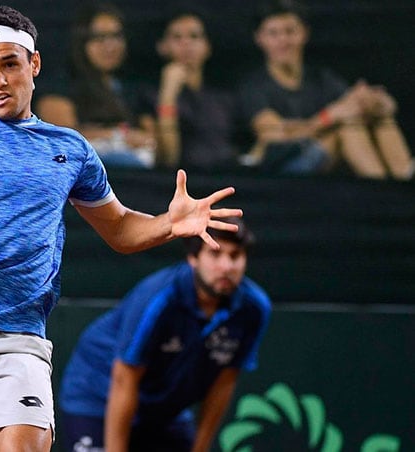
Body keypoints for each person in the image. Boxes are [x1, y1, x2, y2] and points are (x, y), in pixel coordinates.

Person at [0, 6, 242, 451]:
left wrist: (169, 224)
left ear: (33, 64)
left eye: (9, 65)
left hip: (17, 341)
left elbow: (119, 229)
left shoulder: (71, 149)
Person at [59, 217, 271, 452]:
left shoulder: (254, 308)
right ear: (193, 258)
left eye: (235, 256)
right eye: (215, 254)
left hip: (164, 410)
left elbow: (224, 383)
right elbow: (124, 378)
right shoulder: (159, 299)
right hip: (99, 396)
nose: (226, 267)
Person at [238, 0, 414, 179]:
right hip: (282, 169)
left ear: (304, 33)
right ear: (260, 38)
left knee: (378, 118)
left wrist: (375, 103)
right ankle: (386, 195)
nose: (283, 40)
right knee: (346, 127)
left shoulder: (321, 78)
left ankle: (404, 183)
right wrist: (328, 117)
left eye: (290, 31)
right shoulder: (254, 86)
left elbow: (352, 107)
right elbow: (274, 135)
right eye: (273, 33)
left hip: (324, 157)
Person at [36, 3, 156, 168]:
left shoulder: (133, 91)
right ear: (82, 42)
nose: (110, 46)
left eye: (116, 36)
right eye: (99, 37)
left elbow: (155, 144)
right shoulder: (60, 87)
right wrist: (118, 136)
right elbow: (61, 141)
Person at [149, 11, 240, 171]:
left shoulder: (223, 97)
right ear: (162, 46)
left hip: (228, 177)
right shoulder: (149, 96)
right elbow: (169, 158)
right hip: (179, 182)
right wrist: (168, 94)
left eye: (194, 36)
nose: (186, 43)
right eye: (177, 37)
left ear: (207, 46)